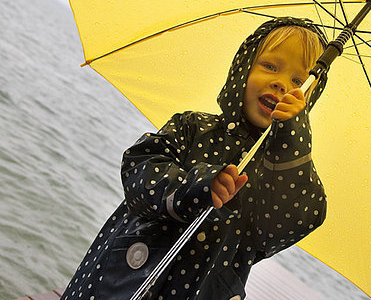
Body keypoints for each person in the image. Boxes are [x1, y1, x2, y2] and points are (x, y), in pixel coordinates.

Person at [60, 17, 328, 300]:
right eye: (270, 66)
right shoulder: (193, 127)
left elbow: (295, 220)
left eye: (298, 81)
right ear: (244, 67)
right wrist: (200, 185)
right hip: (122, 277)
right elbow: (139, 169)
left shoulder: (283, 172)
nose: (281, 84)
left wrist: (291, 141)